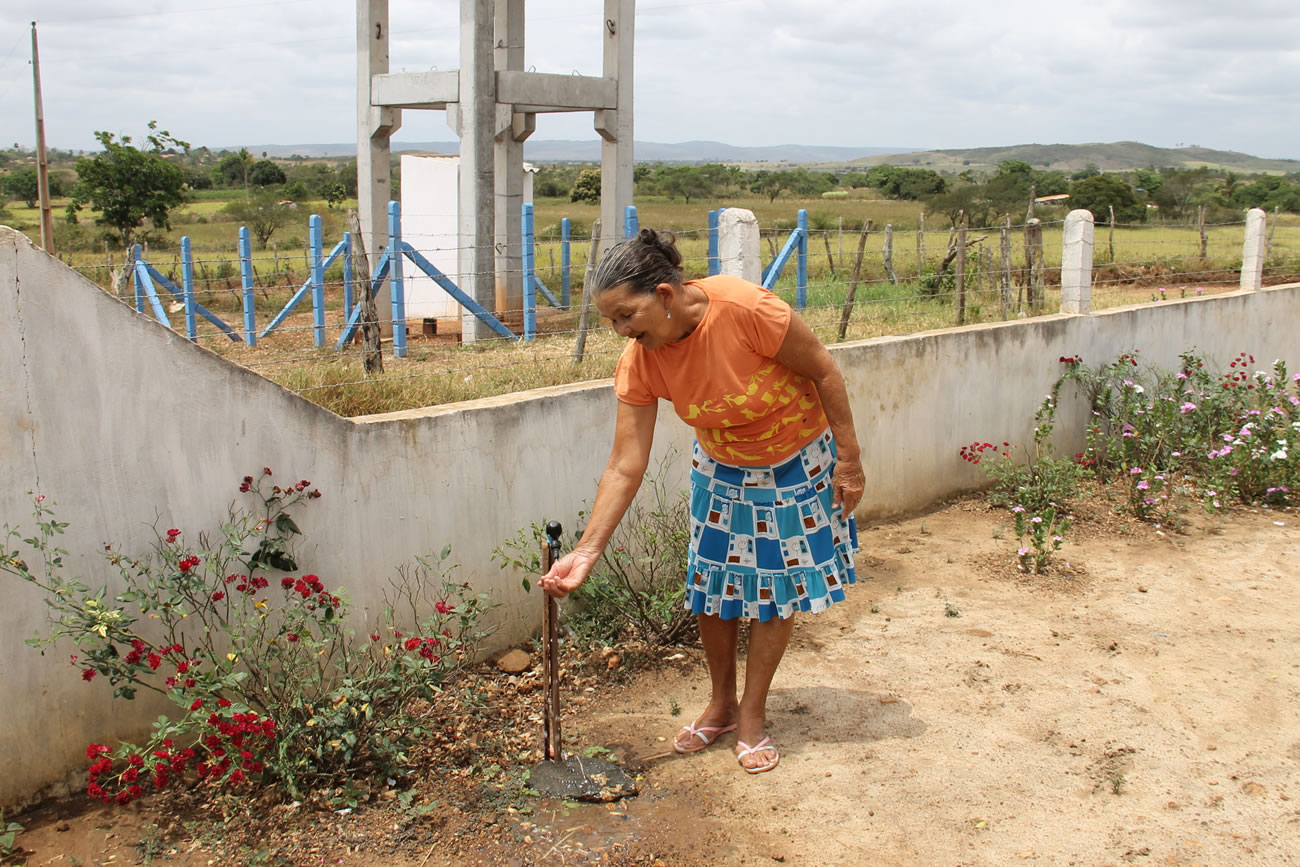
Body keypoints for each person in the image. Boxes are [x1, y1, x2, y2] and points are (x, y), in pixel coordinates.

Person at [539, 228, 864, 775]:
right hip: (721, 466)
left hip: (795, 459)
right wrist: (589, 550)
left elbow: (824, 371)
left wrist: (849, 462)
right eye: (611, 321)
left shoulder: (747, 310)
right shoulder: (642, 358)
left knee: (775, 588)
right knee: (714, 586)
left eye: (626, 316)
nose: (621, 331)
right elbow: (626, 462)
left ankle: (754, 714)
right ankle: (722, 703)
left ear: (665, 295)